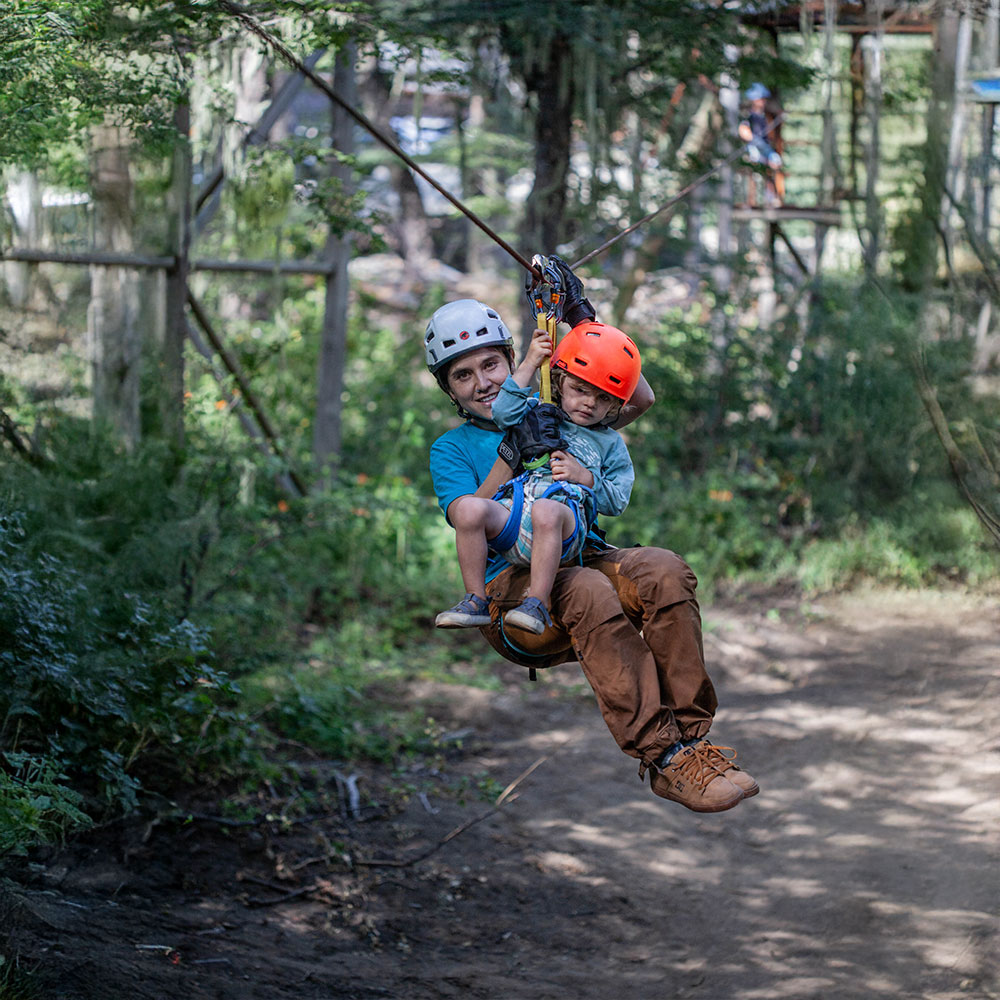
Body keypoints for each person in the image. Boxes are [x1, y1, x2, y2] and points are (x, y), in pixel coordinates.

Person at [424, 260, 758, 814]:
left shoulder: (560, 407)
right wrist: (513, 453)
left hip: (582, 549)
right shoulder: (450, 450)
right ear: (450, 390)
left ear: (515, 359)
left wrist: (582, 315)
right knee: (585, 589)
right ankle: (662, 754)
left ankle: (693, 747)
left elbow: (639, 399)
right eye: (464, 375)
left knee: (663, 570)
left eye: (491, 364)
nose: (483, 382)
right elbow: (473, 513)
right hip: (515, 593)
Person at [435, 319, 640, 637]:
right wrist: (532, 361)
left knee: (546, 510)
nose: (589, 402)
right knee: (469, 509)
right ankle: (475, 599)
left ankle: (537, 602)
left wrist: (585, 477)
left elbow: (618, 498)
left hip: (562, 521)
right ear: (559, 383)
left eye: (602, 399)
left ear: (615, 405)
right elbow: (503, 412)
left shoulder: (607, 438)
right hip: (515, 519)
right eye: (580, 390)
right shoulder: (536, 409)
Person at [739, 82, 784, 207]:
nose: (763, 102)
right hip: (754, 148)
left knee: (774, 164)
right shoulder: (748, 115)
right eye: (761, 99)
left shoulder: (766, 116)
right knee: (754, 169)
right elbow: (743, 131)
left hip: (766, 148)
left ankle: (772, 198)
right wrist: (753, 139)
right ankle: (751, 201)